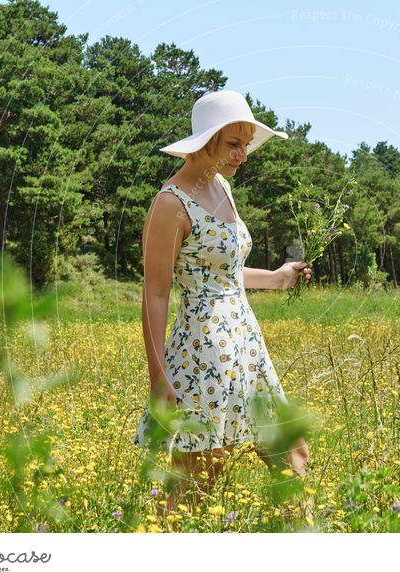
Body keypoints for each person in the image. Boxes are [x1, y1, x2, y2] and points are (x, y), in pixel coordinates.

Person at [133, 90, 313, 519]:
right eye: (234, 144)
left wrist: (275, 278)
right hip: (203, 351)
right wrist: (158, 377)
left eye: (246, 144)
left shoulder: (222, 187)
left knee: (293, 452)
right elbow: (155, 292)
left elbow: (224, 272)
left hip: (246, 346)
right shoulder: (170, 203)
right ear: (205, 142)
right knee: (199, 479)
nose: (244, 155)